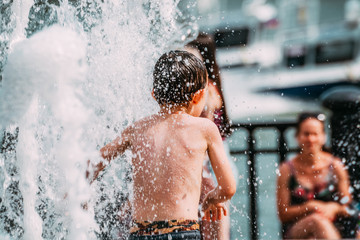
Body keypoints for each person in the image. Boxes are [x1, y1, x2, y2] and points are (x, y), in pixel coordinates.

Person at [87, 50, 236, 239]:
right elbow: (228, 187)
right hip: (183, 232)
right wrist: (212, 199)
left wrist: (78, 193)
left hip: (141, 233)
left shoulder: (137, 128)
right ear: (198, 97)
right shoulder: (205, 128)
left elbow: (95, 162)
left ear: (154, 95)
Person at [185, 33, 237, 240]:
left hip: (209, 163)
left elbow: (203, 129)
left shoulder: (205, 89)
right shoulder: (213, 84)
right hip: (221, 159)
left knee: (211, 221)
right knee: (214, 219)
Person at [277, 112, 357, 239]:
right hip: (298, 230)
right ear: (297, 137)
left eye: (315, 134)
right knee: (316, 221)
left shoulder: (335, 166)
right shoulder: (287, 169)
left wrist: (334, 208)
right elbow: (283, 214)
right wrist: (308, 207)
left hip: (333, 229)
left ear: (324, 137)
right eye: (306, 134)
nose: (311, 139)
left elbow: (348, 207)